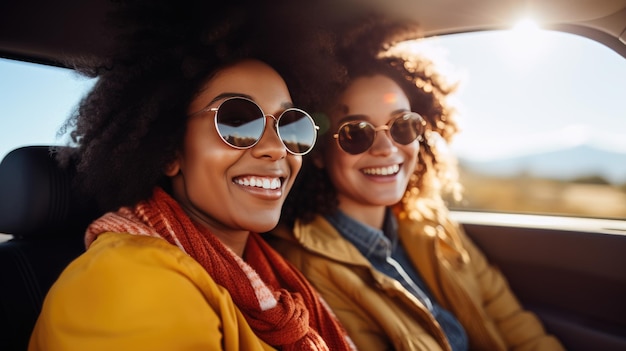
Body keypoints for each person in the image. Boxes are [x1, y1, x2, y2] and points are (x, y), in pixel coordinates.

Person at [28, 1, 354, 350]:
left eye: (291, 125)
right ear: (169, 149)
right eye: (237, 121)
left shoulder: (271, 276)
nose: (276, 149)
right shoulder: (130, 279)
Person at [268, 15, 565, 351]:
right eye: (356, 133)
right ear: (320, 152)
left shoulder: (432, 222)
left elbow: (513, 324)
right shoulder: (307, 268)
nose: (386, 148)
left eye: (402, 126)